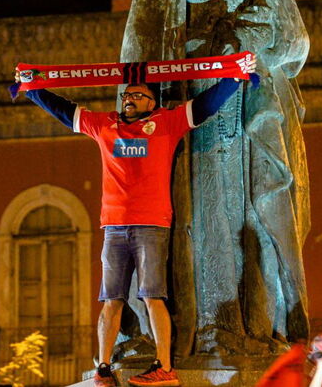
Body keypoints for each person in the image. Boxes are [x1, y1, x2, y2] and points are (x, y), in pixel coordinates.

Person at [121, 0, 310, 355]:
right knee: (195, 214)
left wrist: (249, 41)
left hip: (246, 109)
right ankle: (202, 327)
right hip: (187, 111)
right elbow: (140, 44)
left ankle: (249, 325)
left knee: (249, 213)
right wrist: (138, 112)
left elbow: (295, 42)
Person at [19, 75, 246, 387]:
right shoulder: (104, 125)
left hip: (151, 224)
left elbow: (205, 105)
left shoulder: (166, 123)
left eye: (138, 95)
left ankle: (164, 367)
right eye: (127, 94)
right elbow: (63, 110)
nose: (129, 98)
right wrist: (32, 89)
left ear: (152, 103)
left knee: (153, 296)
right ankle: (103, 369)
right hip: (113, 227)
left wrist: (234, 79)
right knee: (110, 300)